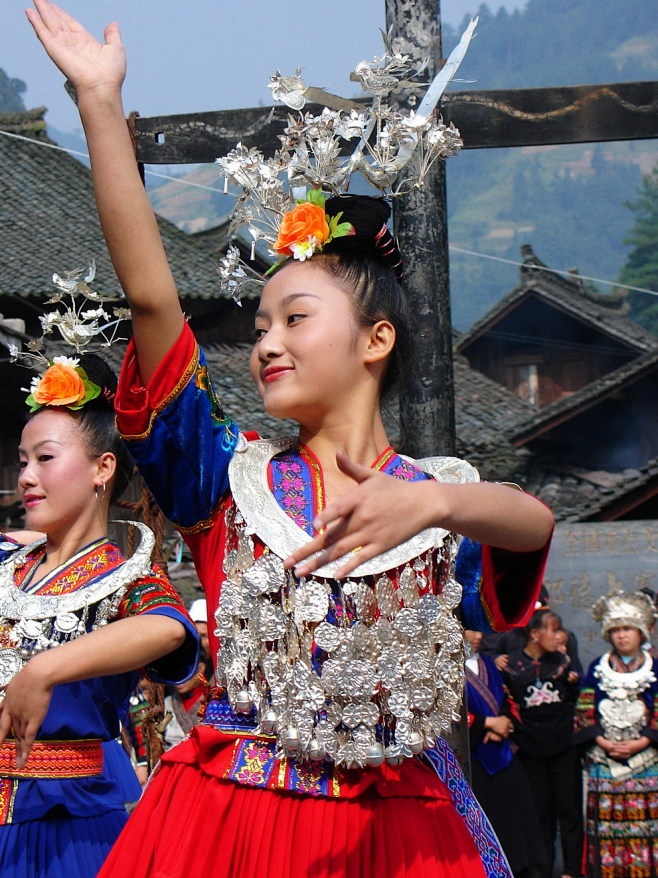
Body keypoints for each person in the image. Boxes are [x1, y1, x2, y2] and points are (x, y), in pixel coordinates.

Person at [27, 3, 555, 876]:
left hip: (394, 826)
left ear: (376, 340)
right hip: (229, 819)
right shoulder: (225, 475)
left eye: (296, 318)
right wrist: (98, 103)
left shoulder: (442, 496)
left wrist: (433, 500)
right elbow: (155, 301)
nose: (266, 341)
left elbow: (532, 522)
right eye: (262, 322)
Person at [0, 353, 199, 878]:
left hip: (65, 823)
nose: (26, 477)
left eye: (44, 458)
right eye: (22, 461)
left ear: (102, 469)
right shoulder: (8, 564)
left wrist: (45, 668)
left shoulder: (125, 580)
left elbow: (167, 628)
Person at [574, 591, 658, 878]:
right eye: (617, 630)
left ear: (641, 631)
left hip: (647, 761)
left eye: (628, 629)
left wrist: (643, 741)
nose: (622, 636)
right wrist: (601, 740)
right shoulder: (597, 667)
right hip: (604, 759)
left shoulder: (655, 667)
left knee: (647, 826)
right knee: (605, 827)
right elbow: (584, 708)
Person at [502, 609, 583, 878]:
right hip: (530, 751)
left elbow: (577, 698)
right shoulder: (510, 666)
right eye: (554, 629)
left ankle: (571, 871)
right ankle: (543, 870)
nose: (562, 635)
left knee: (569, 811)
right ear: (535, 634)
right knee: (540, 814)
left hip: (564, 749)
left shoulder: (563, 663)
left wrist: (573, 683)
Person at [464, 630, 547, 878]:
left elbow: (508, 700)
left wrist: (505, 722)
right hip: (472, 758)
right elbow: (448, 717)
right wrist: (486, 724)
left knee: (517, 823)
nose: (478, 636)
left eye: (480, 630)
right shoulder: (444, 667)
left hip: (502, 752)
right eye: (471, 629)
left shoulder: (489, 664)